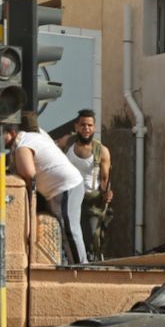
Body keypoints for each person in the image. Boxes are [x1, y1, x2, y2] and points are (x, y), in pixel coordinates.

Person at [5, 112, 89, 264]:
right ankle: (71, 264)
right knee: (62, 231)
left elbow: (30, 174)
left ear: (11, 133)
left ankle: (81, 268)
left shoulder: (22, 144)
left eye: (0, 135)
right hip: (58, 189)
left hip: (66, 187)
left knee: (69, 229)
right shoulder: (34, 136)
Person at [57, 109, 112, 261]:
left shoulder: (101, 151)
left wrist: (107, 193)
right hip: (68, 195)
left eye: (89, 125)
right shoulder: (67, 142)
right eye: (83, 125)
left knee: (93, 236)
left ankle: (91, 263)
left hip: (90, 199)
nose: (86, 128)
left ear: (94, 128)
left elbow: (105, 178)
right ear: (76, 126)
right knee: (67, 232)